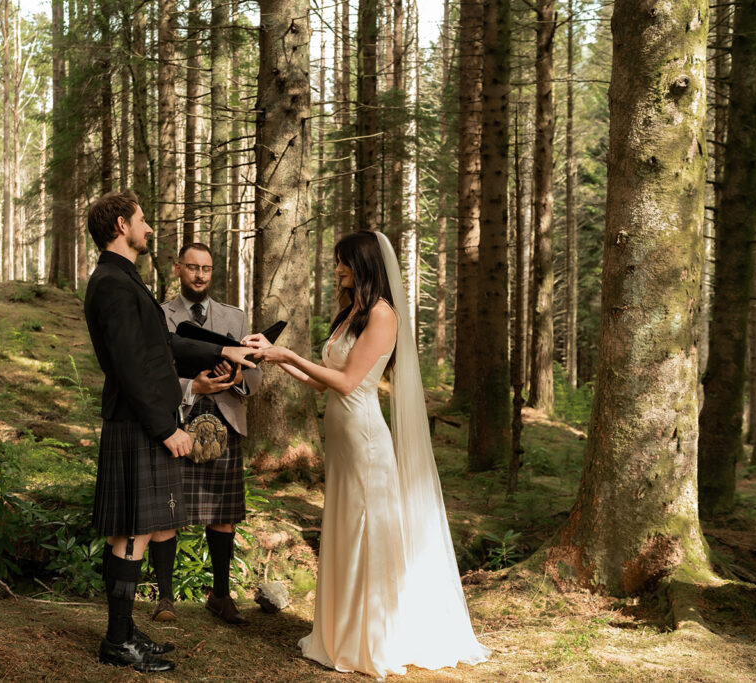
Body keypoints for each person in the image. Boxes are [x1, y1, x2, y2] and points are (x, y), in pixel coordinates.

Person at [243, 231, 490, 678]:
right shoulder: (351, 312)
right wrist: (276, 358)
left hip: (364, 438)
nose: (337, 269)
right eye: (337, 262)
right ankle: (341, 630)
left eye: (344, 262)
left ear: (365, 265)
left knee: (365, 529)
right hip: (340, 436)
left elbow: (348, 383)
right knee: (345, 524)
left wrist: (287, 353)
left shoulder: (382, 315)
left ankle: (373, 637)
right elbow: (323, 382)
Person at [83, 190, 257, 673]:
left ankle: (123, 632)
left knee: (132, 530)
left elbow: (162, 344)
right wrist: (166, 428)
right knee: (134, 530)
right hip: (139, 422)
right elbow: (131, 366)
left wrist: (226, 351)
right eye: (142, 220)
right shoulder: (113, 284)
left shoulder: (121, 278)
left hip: (140, 421)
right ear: (121, 224)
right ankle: (117, 642)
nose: (149, 228)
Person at [149, 242, 262, 625]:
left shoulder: (236, 318)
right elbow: (151, 374)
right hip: (175, 422)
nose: (200, 275)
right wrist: (192, 386)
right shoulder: (158, 316)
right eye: (193, 267)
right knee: (167, 510)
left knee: (223, 512)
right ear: (177, 268)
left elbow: (256, 377)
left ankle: (221, 595)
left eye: (207, 269)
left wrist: (238, 377)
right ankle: (165, 598)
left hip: (225, 419)